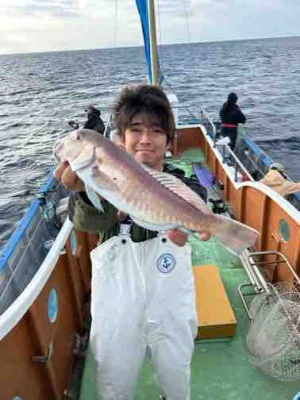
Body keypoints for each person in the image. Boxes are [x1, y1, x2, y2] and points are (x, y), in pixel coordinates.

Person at [54, 84, 210, 400]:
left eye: (156, 130)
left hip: (170, 296)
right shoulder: (99, 180)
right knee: (113, 375)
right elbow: (88, 221)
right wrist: (84, 189)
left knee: (176, 369)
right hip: (117, 298)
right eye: (135, 130)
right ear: (121, 139)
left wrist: (193, 221)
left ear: (169, 140)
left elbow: (198, 204)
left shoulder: (183, 182)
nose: (145, 139)